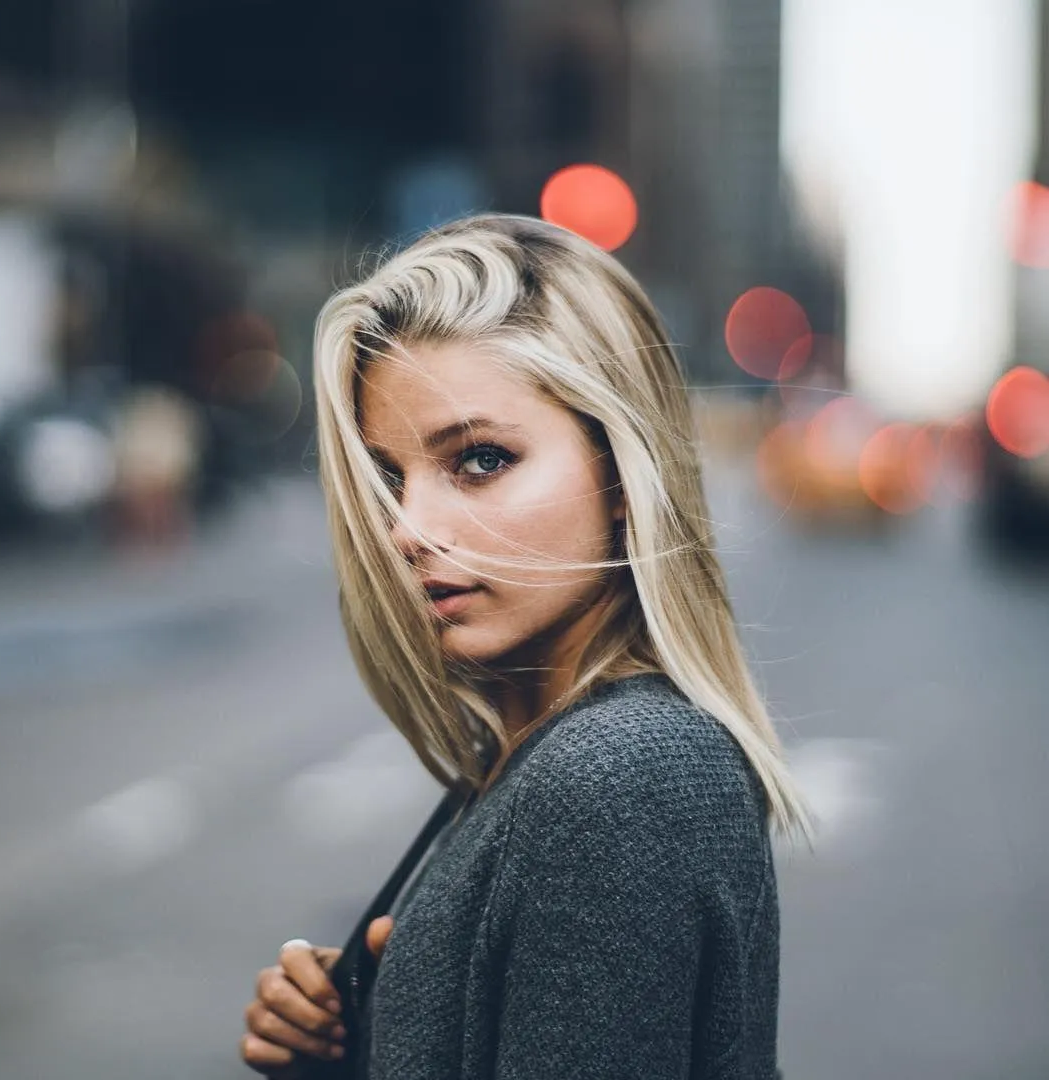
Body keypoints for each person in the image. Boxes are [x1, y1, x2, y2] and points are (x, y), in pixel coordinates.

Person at [240, 213, 812, 1079]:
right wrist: (356, 1040)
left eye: (478, 460)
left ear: (623, 472)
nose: (408, 530)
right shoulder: (532, 754)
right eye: (388, 478)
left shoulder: (620, 775)